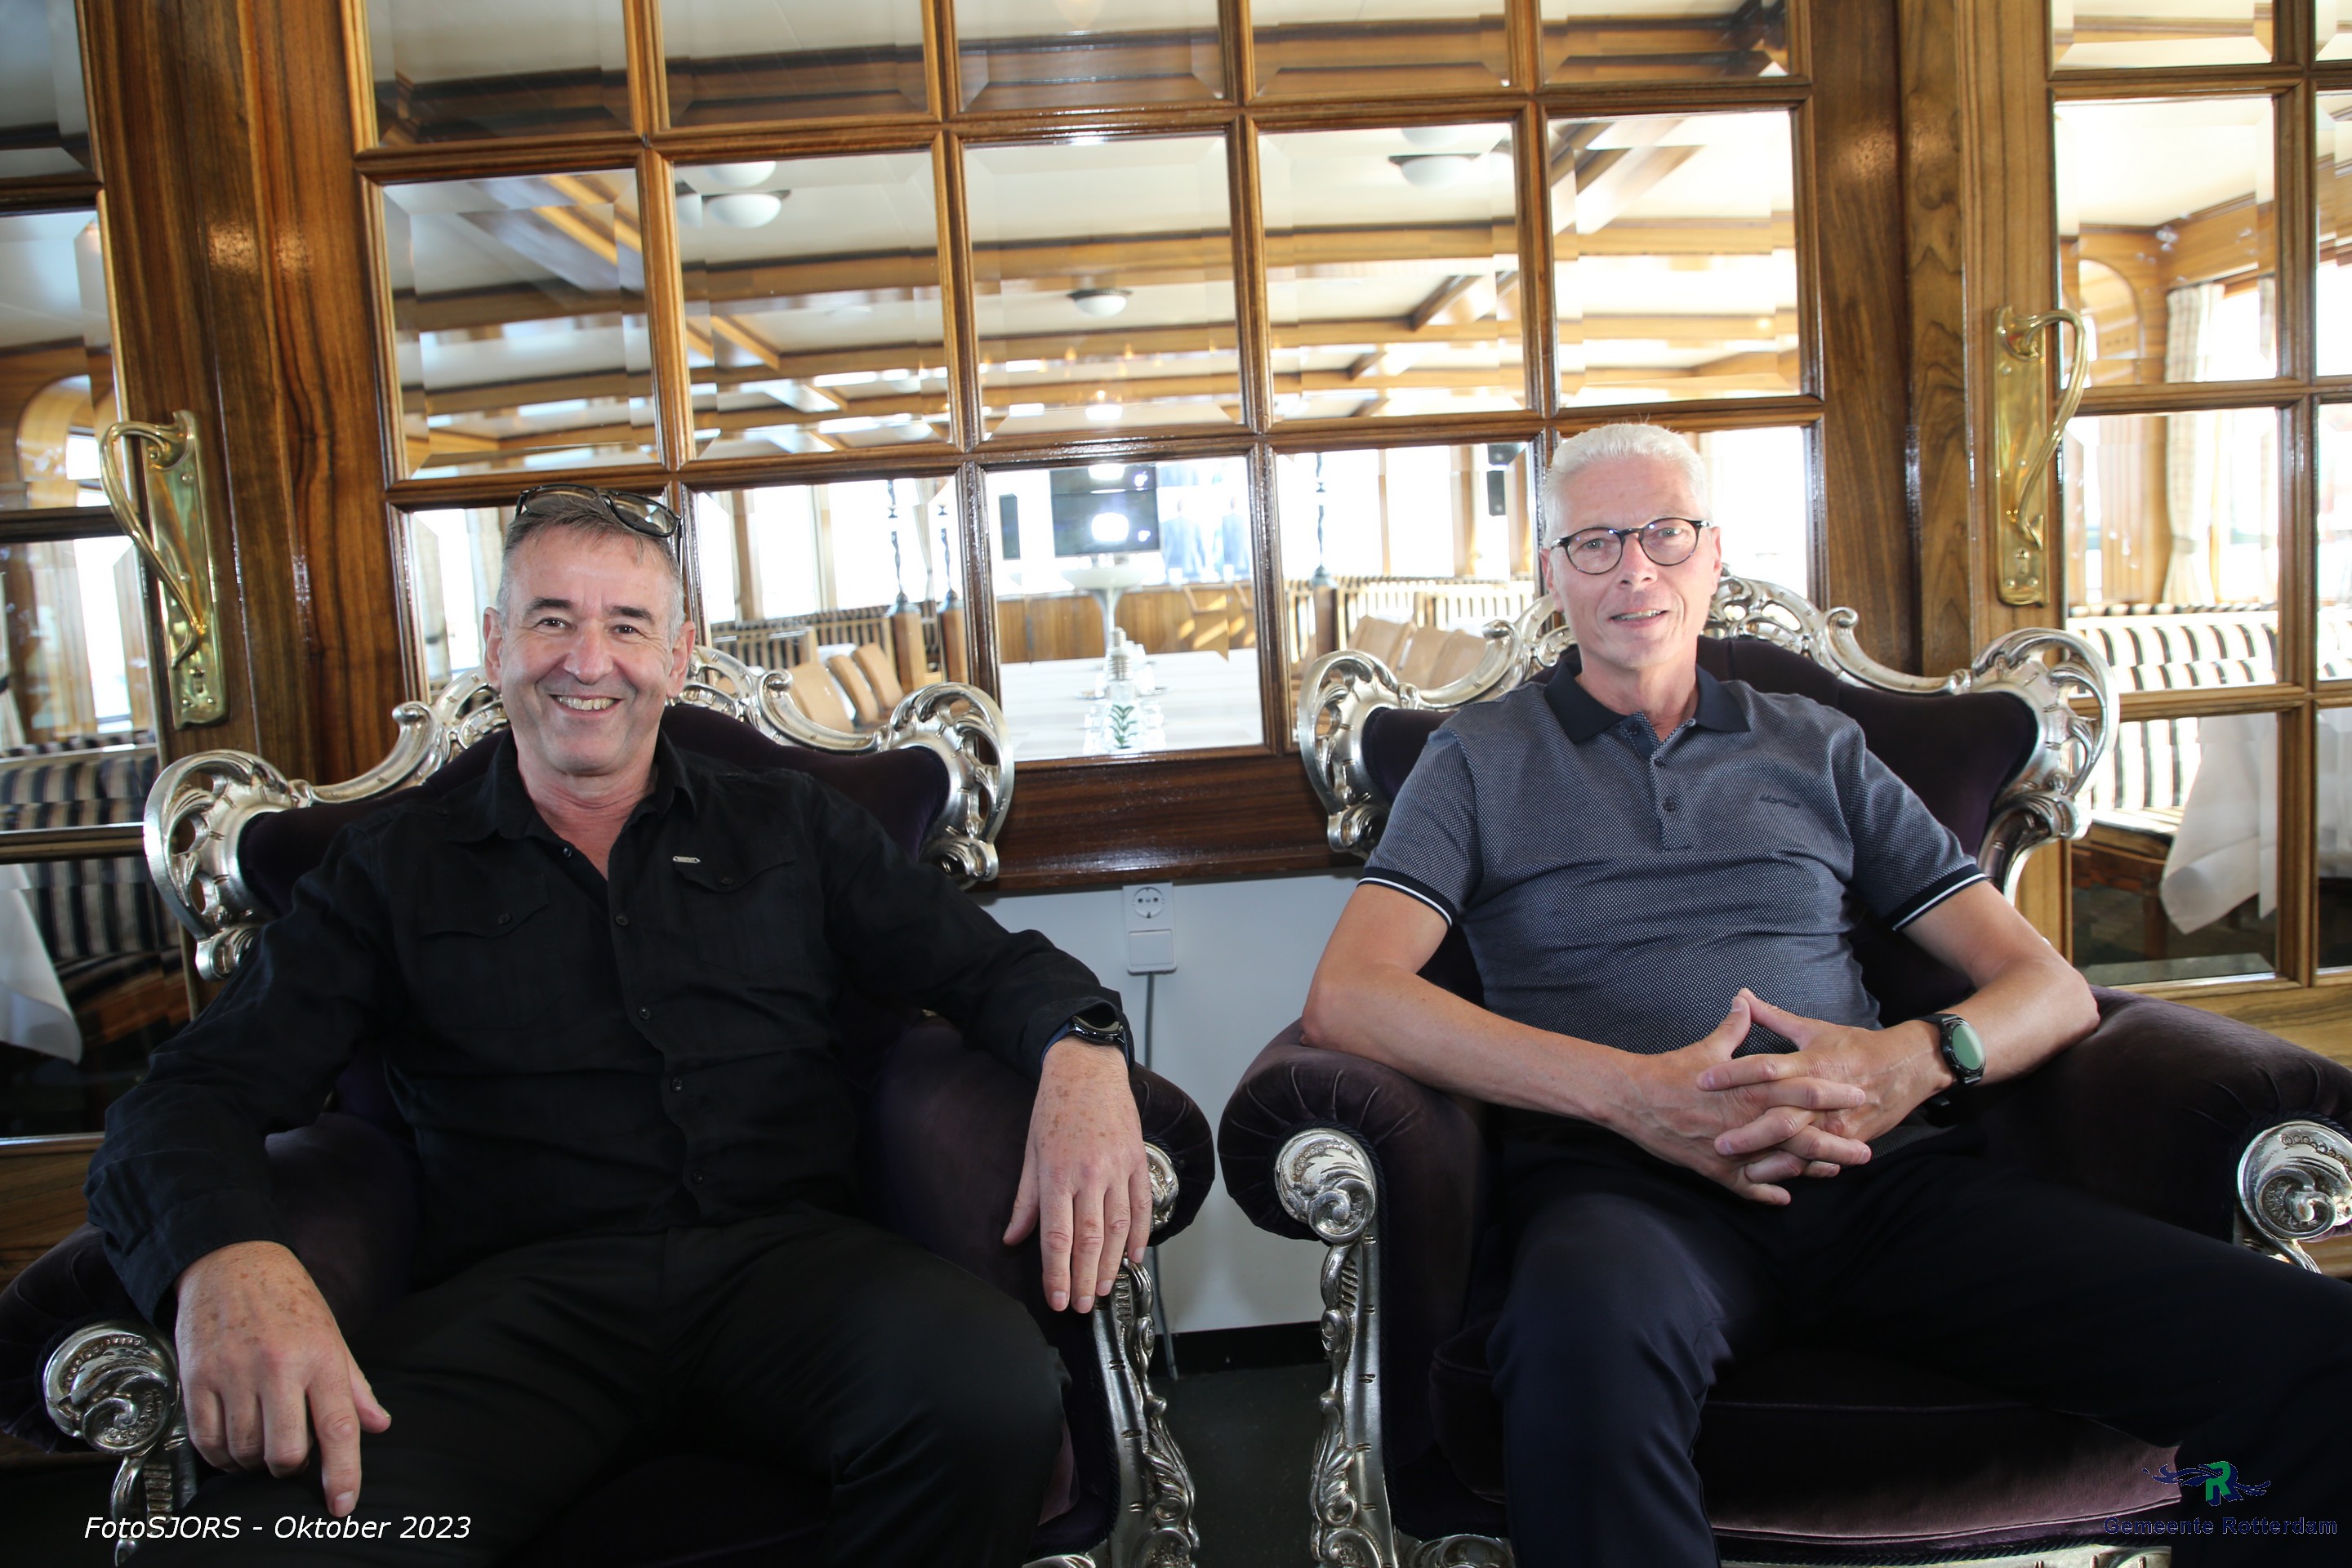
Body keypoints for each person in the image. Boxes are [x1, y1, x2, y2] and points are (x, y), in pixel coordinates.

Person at [1302, 422, 2352, 1566]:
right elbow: (1352, 994)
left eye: (1665, 534)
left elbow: (2047, 989)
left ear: (1714, 556)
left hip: (1880, 1180)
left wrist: (1915, 1060)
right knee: (1572, 1348)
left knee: (2315, 1349)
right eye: (1595, 543)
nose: (1634, 569)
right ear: (1553, 574)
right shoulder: (1475, 758)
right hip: (1625, 1195)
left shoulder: (1816, 745)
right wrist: (1632, 1097)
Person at [87, 485, 1153, 1566]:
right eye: (551, 619)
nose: (587, 661)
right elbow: (187, 1095)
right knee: (255, 1547)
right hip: (519, 1312)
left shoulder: (792, 826)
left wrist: (1082, 1053)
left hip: (792, 1273)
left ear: (677, 656)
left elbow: (989, 968)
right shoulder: (389, 872)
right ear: (497, 646)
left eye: (628, 626)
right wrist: (225, 1253)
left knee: (990, 1399)